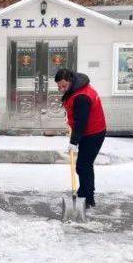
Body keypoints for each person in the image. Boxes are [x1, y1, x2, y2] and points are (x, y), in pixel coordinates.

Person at [55, 69, 106, 209]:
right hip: (87, 132)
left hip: (93, 134)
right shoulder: (76, 88)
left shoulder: (82, 96)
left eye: (63, 86)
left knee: (84, 166)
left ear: (71, 81)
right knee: (83, 166)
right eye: (58, 86)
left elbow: (81, 122)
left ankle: (88, 199)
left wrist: (74, 141)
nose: (61, 89)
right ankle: (84, 192)